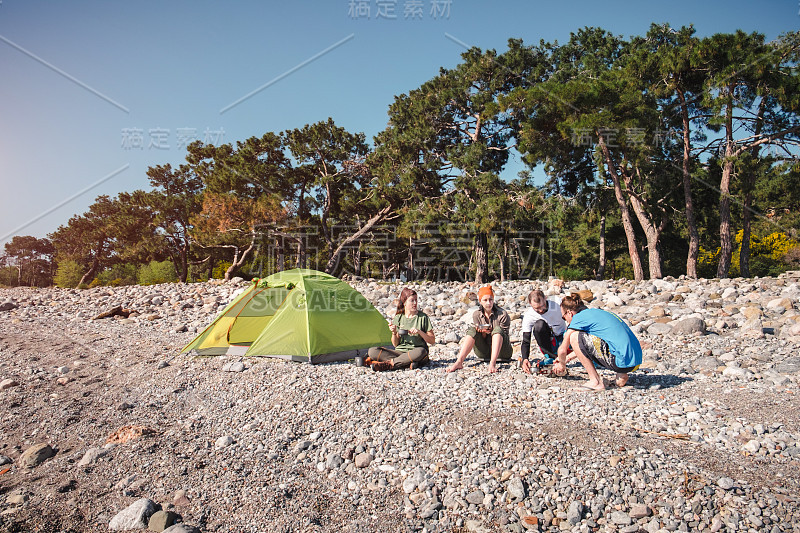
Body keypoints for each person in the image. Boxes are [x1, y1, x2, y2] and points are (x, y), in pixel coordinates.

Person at [553, 294, 642, 391]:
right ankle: (622, 374)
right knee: (595, 338)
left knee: (574, 336)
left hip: (621, 360)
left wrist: (562, 365)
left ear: (569, 313)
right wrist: (568, 358)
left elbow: (562, 350)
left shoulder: (578, 318)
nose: (565, 321)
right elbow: (592, 344)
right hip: (635, 361)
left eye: (563, 317)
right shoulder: (596, 313)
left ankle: (595, 381)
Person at [446, 285, 512, 374]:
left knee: (497, 330)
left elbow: (504, 336)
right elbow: (479, 335)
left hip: (503, 352)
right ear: (480, 301)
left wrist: (493, 331)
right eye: (485, 300)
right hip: (484, 352)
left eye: (491, 299)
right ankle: (459, 362)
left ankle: (492, 363)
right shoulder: (476, 315)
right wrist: (483, 332)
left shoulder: (502, 314)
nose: (488, 303)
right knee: (472, 330)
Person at [366, 288, 435, 371]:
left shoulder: (423, 317)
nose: (415, 303)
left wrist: (420, 332)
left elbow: (432, 341)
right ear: (404, 302)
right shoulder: (398, 318)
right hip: (399, 353)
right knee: (372, 351)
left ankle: (390, 364)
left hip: (416, 351)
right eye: (412, 300)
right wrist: (394, 333)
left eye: (416, 300)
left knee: (421, 351)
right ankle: (405, 363)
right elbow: (395, 345)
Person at [520, 289, 567, 374]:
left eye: (543, 306)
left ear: (545, 298)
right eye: (537, 308)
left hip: (563, 337)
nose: (541, 310)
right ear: (530, 304)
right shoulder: (529, 315)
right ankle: (550, 357)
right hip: (548, 342)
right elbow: (526, 340)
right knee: (539, 325)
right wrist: (525, 358)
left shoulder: (556, 302)